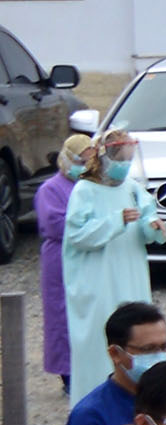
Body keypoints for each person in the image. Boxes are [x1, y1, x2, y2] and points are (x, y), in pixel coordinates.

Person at [62, 128, 159, 398]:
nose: (125, 164)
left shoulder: (132, 188)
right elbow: (76, 235)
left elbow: (148, 218)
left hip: (130, 273)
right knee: (100, 337)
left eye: (130, 158)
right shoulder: (84, 190)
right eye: (121, 158)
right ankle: (94, 398)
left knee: (135, 332)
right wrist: (115, 221)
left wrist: (154, 226)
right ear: (105, 156)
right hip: (97, 280)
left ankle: (137, 397)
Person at [69, 301, 166, 425]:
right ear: (115, 354)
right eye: (148, 349)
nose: (159, 356)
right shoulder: (90, 416)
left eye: (164, 347)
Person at [34, 157, 73, 385]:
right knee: (60, 314)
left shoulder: (86, 186)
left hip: (82, 255)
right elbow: (54, 224)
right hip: (59, 256)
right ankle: (66, 373)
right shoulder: (50, 189)